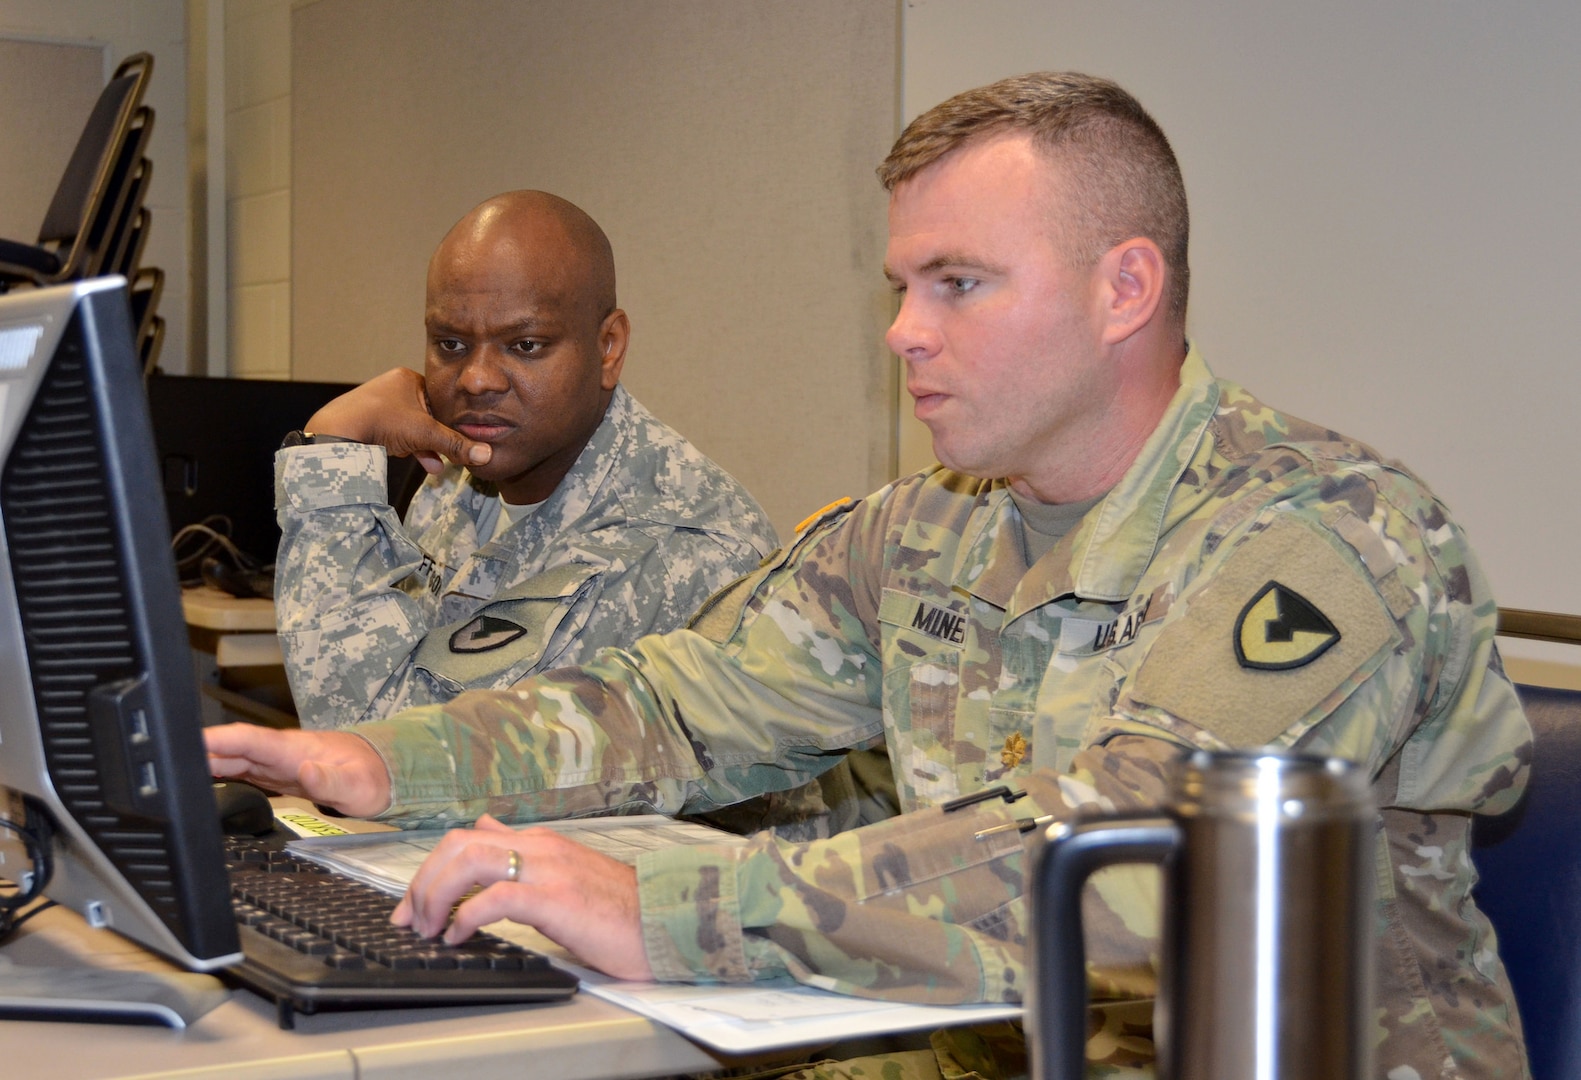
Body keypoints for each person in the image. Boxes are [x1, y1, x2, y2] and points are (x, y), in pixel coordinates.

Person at [210, 74, 1531, 1078]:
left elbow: (1122, 871)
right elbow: (680, 704)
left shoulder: (1328, 537)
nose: (902, 332)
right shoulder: (925, 531)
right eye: (903, 285)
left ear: (1123, 288)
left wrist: (668, 907)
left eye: (957, 283)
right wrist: (382, 764)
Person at [272, 190, 778, 730]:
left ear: (608, 348)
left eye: (526, 345)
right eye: (450, 344)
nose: (476, 379)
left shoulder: (675, 542)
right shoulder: (456, 485)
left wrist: (332, 449)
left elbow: (373, 744)